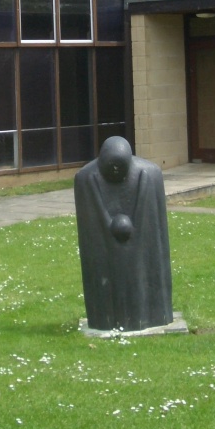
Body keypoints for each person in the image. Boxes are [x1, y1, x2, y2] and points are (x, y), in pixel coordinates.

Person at [73, 136, 173, 331]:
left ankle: (151, 315)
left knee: (142, 275)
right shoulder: (86, 179)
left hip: (138, 253)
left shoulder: (150, 175)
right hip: (107, 261)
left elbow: (158, 236)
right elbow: (89, 242)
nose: (115, 172)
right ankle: (108, 318)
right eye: (110, 168)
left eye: (119, 168)